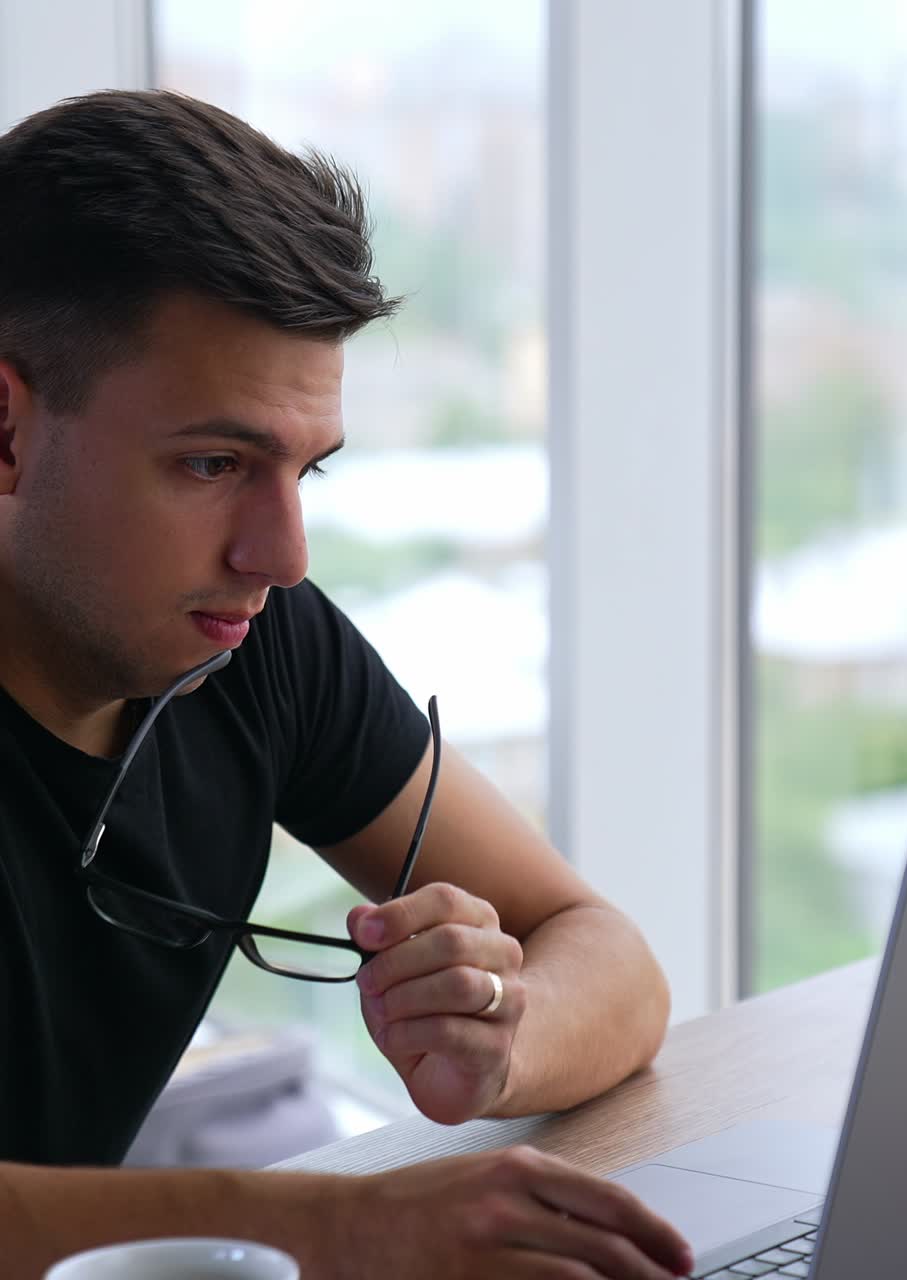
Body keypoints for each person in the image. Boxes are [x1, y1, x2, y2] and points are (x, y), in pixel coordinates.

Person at [0, 89, 693, 1279]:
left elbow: (603, 953)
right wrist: (341, 1225)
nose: (282, 555)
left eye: (304, 469)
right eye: (212, 463)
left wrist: (499, 1029)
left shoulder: (250, 641)